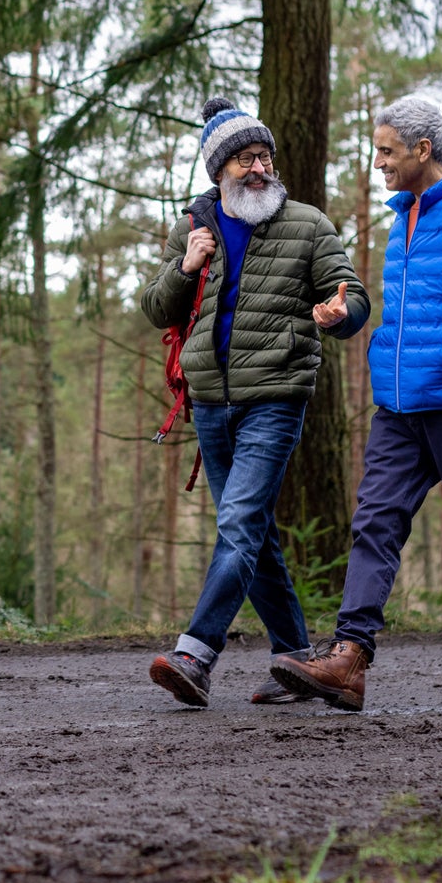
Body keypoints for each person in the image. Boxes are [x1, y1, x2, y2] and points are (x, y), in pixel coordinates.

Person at [272, 96, 442, 713]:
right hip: (398, 407)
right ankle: (350, 656)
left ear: (424, 151)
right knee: (375, 522)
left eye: (387, 152)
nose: (379, 163)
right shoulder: (405, 220)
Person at [139, 98, 369, 708]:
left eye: (264, 156)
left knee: (237, 522)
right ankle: (296, 657)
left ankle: (196, 652)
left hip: (276, 394)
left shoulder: (308, 224)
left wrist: (342, 313)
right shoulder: (193, 227)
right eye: (245, 159)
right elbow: (156, 308)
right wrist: (185, 268)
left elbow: (353, 296)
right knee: (254, 532)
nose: (259, 168)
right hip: (211, 400)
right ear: (219, 170)